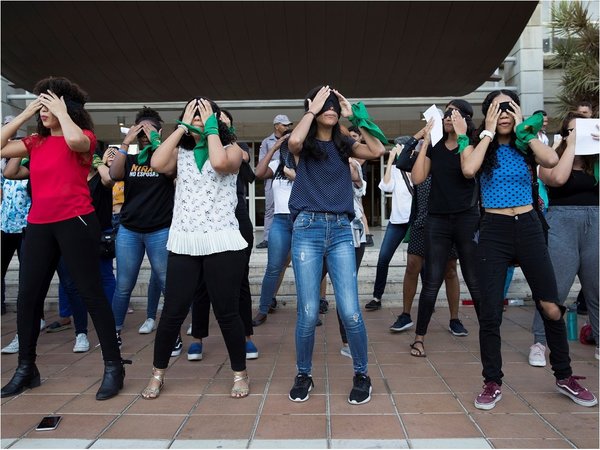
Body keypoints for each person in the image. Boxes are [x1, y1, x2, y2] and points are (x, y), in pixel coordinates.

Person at [460, 89, 597, 409]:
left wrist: (526, 130)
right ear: (487, 115)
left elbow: (551, 161)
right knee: (491, 312)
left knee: (551, 305)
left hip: (529, 226)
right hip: (493, 231)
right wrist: (488, 132)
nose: (504, 113)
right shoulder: (480, 145)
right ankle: (492, 381)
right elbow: (469, 170)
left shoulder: (530, 145)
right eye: (496, 109)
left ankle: (564, 375)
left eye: (510, 107)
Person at [0, 76, 127, 400]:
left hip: (77, 222)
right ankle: (27, 369)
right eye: (42, 104)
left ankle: (114, 367)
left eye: (49, 105)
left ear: (66, 107)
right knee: (28, 298)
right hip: (39, 225)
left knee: (91, 294)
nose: (44, 110)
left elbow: (74, 142)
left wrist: (62, 111)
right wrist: (27, 113)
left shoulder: (83, 136)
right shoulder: (34, 143)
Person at [143, 97, 249, 399]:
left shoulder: (233, 151)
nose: (200, 118)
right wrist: (182, 127)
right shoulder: (180, 151)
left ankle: (239, 374)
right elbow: (156, 163)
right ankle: (157, 374)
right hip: (185, 240)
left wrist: (212, 127)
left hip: (222, 240)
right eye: (194, 114)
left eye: (205, 114)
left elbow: (219, 162)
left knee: (227, 313)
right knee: (173, 312)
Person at [286, 85, 385, 404]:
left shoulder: (344, 145)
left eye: (332, 103)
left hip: (342, 229)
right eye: (322, 103)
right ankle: (304, 373)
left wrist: (355, 114)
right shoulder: (305, 143)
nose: (329, 107)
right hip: (307, 228)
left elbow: (377, 151)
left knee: (351, 311)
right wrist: (312, 110)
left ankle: (361, 374)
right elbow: (295, 141)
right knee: (308, 310)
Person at [408, 100, 482, 357]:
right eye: (447, 114)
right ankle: (419, 338)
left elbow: (468, 170)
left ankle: (488, 336)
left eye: (455, 113)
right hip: (437, 220)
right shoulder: (436, 147)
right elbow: (417, 178)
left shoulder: (473, 145)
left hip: (466, 218)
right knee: (431, 281)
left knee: (473, 279)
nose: (448, 117)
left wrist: (462, 136)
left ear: (466, 118)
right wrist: (426, 142)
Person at [186, 109, 258, 361]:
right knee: (200, 282)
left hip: (235, 215)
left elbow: (250, 176)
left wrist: (229, 137)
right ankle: (197, 338)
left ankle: (246, 336)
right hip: (205, 219)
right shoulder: (195, 147)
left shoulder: (236, 147)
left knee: (241, 280)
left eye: (221, 120)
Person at [532, 112, 599, 363]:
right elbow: (558, 179)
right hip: (561, 223)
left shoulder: (597, 161)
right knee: (554, 289)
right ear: (565, 133)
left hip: (596, 224)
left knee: (597, 288)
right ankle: (540, 341)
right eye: (574, 130)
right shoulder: (551, 157)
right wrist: (571, 145)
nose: (580, 135)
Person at [109, 107, 177, 352]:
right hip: (129, 230)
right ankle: (114, 333)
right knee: (124, 285)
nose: (144, 134)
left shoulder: (167, 157)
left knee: (167, 282)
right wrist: (125, 142)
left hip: (160, 230)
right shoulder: (130, 159)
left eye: (149, 130)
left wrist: (157, 140)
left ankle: (173, 334)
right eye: (141, 130)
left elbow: (169, 170)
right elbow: (114, 175)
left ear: (159, 131)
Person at [390, 133, 464, 335]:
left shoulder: (451, 152)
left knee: (450, 270)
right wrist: (419, 137)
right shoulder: (424, 151)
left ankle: (454, 319)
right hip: (422, 222)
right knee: (412, 266)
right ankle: (405, 315)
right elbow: (403, 161)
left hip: (447, 222)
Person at [251, 130, 294, 326]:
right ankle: (263, 309)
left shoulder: (310, 165)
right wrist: (274, 148)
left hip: (303, 221)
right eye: (287, 143)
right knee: (273, 267)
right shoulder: (277, 165)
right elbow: (258, 173)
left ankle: (309, 313)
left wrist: (296, 176)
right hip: (280, 221)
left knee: (306, 269)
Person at [364, 141, 412, 311]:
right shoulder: (396, 168)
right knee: (383, 258)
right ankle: (377, 297)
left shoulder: (416, 165)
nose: (395, 150)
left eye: (399, 147)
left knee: (420, 263)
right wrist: (390, 161)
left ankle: (428, 298)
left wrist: (404, 158)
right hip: (396, 221)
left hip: (414, 221)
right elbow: (385, 186)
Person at [256, 114, 293, 249]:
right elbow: (261, 164)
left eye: (288, 125)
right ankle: (267, 238)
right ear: (276, 126)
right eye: (284, 125)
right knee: (270, 208)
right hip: (273, 178)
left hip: (291, 179)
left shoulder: (292, 139)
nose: (287, 127)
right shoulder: (267, 142)